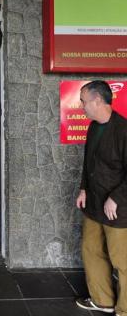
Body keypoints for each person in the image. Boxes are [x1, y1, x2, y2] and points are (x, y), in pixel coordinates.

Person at [75, 80, 127, 316]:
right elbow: (89, 164)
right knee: (90, 248)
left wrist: (116, 197)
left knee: (122, 260)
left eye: (84, 101)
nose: (81, 106)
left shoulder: (124, 130)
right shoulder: (94, 127)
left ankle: (124, 309)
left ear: (97, 100)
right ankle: (102, 300)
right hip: (94, 203)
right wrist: (83, 188)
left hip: (118, 209)